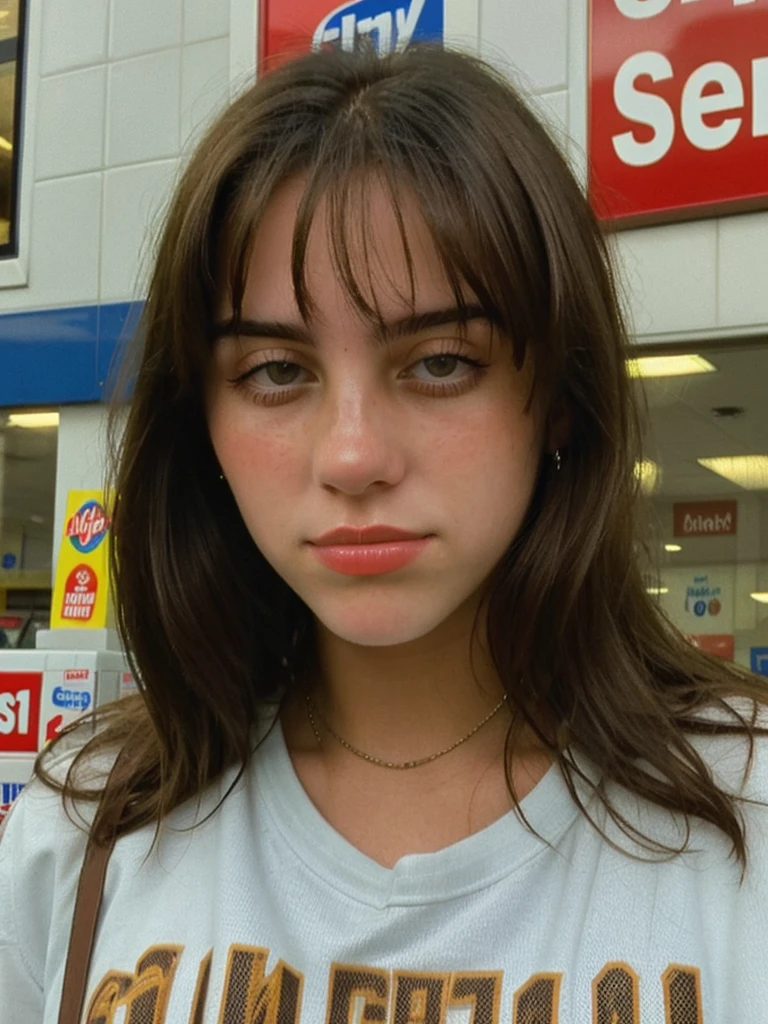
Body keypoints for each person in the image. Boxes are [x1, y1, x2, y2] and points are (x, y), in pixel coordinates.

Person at [1, 44, 767, 1024]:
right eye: (276, 371)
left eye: (440, 361)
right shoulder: (86, 826)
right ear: (204, 424)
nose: (353, 454)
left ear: (560, 400)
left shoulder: (747, 817)